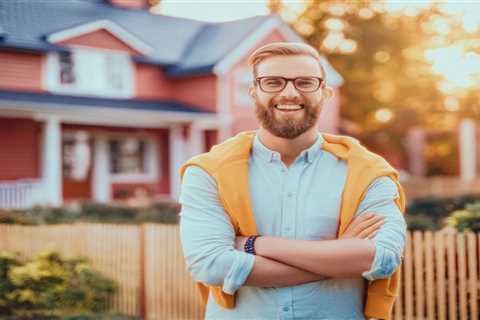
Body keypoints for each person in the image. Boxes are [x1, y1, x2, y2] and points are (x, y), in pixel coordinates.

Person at [179, 42, 407, 320]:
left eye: (305, 82)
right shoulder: (207, 172)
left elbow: (383, 258)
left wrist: (256, 245)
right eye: (272, 82)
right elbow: (211, 265)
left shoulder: (368, 172)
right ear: (253, 92)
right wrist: (338, 257)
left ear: (325, 93)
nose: (289, 93)